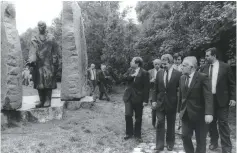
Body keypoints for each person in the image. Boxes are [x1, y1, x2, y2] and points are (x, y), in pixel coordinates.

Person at [202, 47, 236, 153]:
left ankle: (226, 147)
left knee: (223, 123)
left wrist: (233, 98)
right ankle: (214, 142)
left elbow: (232, 84)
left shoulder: (225, 67)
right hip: (209, 100)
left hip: (222, 99)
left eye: (207, 55)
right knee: (211, 122)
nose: (205, 57)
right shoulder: (204, 68)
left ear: (214, 56)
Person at [177, 56, 213, 153]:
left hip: (200, 114)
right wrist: (179, 111)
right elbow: (181, 97)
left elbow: (208, 96)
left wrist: (209, 113)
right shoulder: (182, 78)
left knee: (201, 140)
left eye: (184, 65)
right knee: (185, 136)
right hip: (186, 113)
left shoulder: (202, 77)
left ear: (191, 67)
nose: (181, 67)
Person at [151, 54, 182, 152]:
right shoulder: (159, 73)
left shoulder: (178, 74)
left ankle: (170, 143)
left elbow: (181, 90)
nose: (163, 66)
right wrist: (154, 100)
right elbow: (155, 89)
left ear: (171, 63)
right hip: (160, 103)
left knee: (171, 124)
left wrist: (179, 103)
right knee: (160, 122)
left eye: (165, 64)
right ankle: (159, 145)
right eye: (162, 64)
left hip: (172, 103)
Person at [28, 21, 59, 108]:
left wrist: (55, 62)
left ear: (45, 27)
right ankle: (41, 100)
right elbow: (31, 50)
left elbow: (55, 51)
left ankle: (48, 100)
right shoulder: (34, 38)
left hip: (48, 63)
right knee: (39, 81)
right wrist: (30, 61)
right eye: (39, 26)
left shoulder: (51, 37)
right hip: (38, 63)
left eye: (41, 26)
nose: (40, 28)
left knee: (48, 81)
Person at [123, 57, 149, 142]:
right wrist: (132, 76)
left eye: (132, 61)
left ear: (137, 63)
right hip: (128, 97)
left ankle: (137, 135)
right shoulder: (129, 70)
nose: (130, 62)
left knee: (138, 117)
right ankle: (129, 133)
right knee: (128, 115)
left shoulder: (145, 73)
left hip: (138, 98)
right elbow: (123, 78)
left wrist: (145, 100)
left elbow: (146, 88)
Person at [148, 59, 162, 128]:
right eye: (155, 64)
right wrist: (151, 81)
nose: (157, 65)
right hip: (152, 92)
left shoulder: (163, 71)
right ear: (153, 64)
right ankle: (153, 123)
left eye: (158, 64)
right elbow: (146, 83)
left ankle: (160, 122)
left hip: (160, 93)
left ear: (160, 64)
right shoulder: (150, 72)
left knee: (159, 108)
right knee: (153, 108)